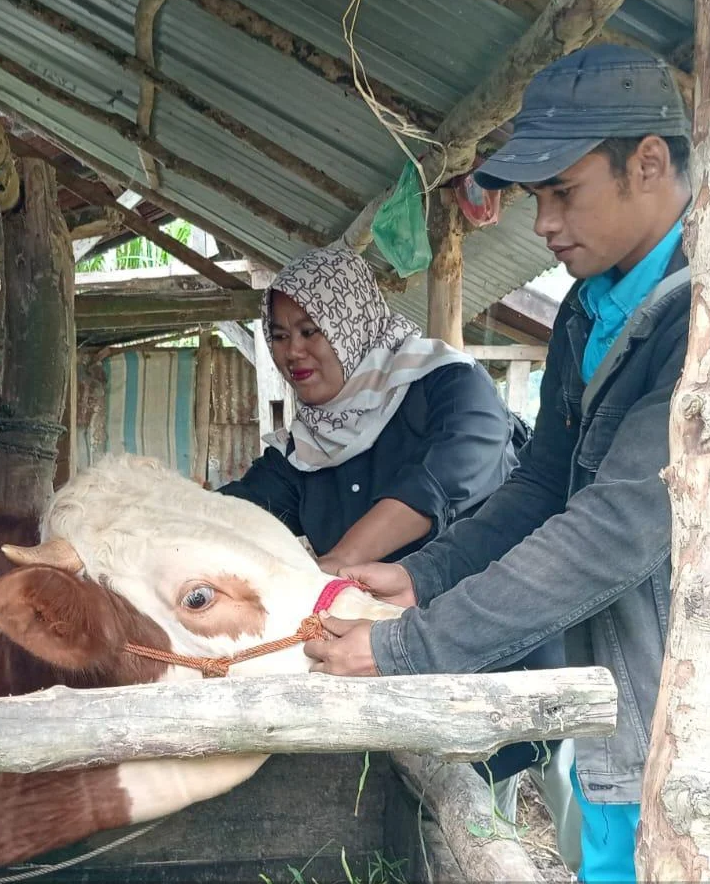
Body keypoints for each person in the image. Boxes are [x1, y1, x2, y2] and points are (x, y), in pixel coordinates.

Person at [302, 45, 710, 884]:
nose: (545, 224)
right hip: (617, 696)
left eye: (563, 192)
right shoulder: (589, 308)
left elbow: (613, 533)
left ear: (646, 163)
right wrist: (425, 574)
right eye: (537, 198)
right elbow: (542, 484)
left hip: (707, 710)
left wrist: (409, 648)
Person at [218, 244, 567, 817]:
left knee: (485, 821)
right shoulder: (305, 444)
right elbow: (237, 515)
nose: (292, 351)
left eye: (311, 330)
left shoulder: (448, 386)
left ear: (352, 322)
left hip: (490, 664)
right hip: (374, 675)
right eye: (279, 335)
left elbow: (448, 477)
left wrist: (335, 566)